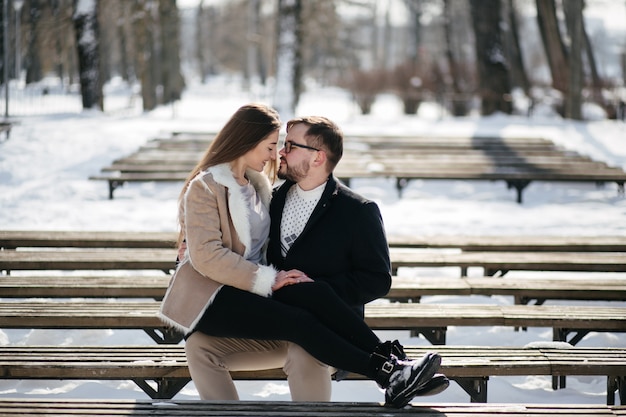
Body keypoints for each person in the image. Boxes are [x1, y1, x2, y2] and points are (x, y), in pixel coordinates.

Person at [159, 104, 448, 408]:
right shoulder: (266, 195)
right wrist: (270, 278)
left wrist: (302, 284)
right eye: (274, 145)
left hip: (295, 311)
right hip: (221, 299)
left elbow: (375, 279)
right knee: (299, 316)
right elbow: (209, 251)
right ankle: (388, 370)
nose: (278, 154)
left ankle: (394, 364)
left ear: (317, 156)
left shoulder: (340, 207)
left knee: (313, 293)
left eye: (287, 146)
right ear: (248, 141)